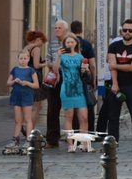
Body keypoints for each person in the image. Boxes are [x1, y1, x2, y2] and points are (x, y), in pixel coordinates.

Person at [107, 19, 132, 152]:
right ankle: (112, 143)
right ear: (121, 31)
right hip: (116, 85)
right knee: (113, 116)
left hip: (131, 85)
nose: (127, 32)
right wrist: (115, 83)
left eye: (130, 30)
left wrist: (115, 65)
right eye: (125, 30)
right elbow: (111, 67)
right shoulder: (114, 46)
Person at [60, 33, 92, 152]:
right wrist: (58, 56)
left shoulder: (80, 57)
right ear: (65, 44)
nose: (70, 44)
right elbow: (54, 68)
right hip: (67, 89)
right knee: (69, 117)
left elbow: (85, 74)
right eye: (67, 42)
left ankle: (85, 144)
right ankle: (70, 144)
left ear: (76, 43)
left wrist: (86, 70)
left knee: (84, 117)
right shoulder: (62, 57)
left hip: (79, 90)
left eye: (72, 42)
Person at [6, 49, 39, 148]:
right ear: (18, 59)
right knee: (17, 120)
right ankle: (16, 140)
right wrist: (14, 81)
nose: (23, 60)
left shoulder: (31, 70)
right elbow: (8, 83)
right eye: (21, 58)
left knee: (27, 119)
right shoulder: (15, 69)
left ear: (28, 59)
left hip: (27, 95)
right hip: (16, 95)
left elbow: (36, 85)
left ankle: (29, 139)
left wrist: (27, 83)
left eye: (25, 58)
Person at [45, 20, 69, 148]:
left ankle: (73, 138)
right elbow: (47, 60)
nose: (57, 30)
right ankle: (52, 139)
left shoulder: (70, 42)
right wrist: (52, 64)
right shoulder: (53, 44)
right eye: (55, 28)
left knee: (70, 109)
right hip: (55, 79)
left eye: (59, 28)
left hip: (67, 78)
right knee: (52, 109)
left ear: (66, 30)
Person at [70, 20, 97, 131]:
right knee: (88, 105)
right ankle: (89, 131)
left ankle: (74, 130)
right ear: (81, 30)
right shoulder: (86, 44)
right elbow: (93, 65)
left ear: (71, 30)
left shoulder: (69, 43)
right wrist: (93, 79)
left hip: (71, 79)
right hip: (84, 78)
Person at [25, 30, 48, 132]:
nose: (42, 44)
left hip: (26, 76)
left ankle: (26, 126)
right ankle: (30, 130)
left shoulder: (26, 48)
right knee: (37, 106)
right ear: (38, 39)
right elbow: (36, 65)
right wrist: (45, 64)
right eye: (42, 42)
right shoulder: (36, 49)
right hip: (35, 78)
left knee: (30, 105)